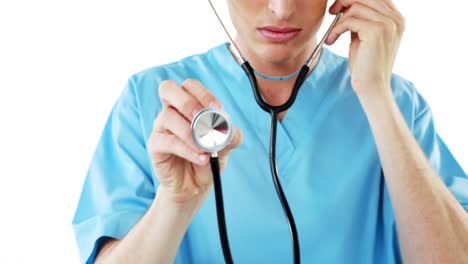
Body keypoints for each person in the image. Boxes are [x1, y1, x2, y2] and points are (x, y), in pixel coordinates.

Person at [72, 0, 468, 263]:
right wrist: (173, 205)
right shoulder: (154, 101)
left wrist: (377, 96)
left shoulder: (396, 103)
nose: (282, 9)